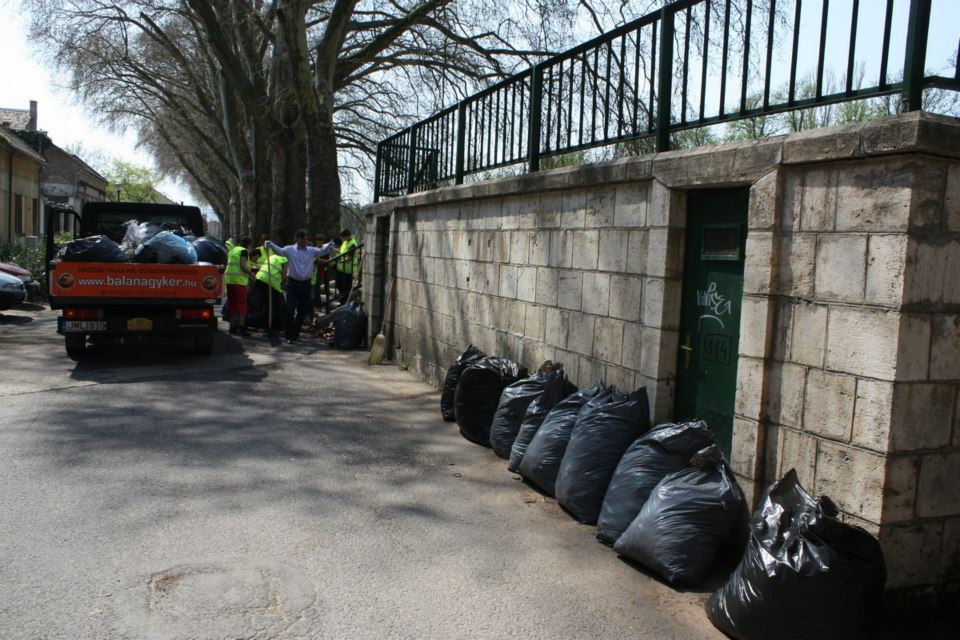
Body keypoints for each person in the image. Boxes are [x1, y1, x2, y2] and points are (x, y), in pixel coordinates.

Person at [264, 229, 337, 343]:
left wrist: (330, 245)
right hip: (293, 283)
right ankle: (288, 336)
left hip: (306, 284)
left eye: (306, 239)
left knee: (302, 310)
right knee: (290, 309)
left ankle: (296, 334)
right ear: (297, 239)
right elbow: (279, 251)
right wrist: (271, 244)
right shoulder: (289, 250)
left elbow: (322, 251)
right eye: (303, 239)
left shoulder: (311, 251)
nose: (305, 242)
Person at [224, 236, 256, 336]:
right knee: (242, 304)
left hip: (229, 280)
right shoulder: (243, 251)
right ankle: (241, 328)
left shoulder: (233, 250)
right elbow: (242, 265)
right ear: (249, 245)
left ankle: (232, 327)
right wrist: (251, 274)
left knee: (232, 304)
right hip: (239, 281)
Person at [254, 250, 287, 336]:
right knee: (276, 305)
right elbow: (284, 276)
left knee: (265, 304)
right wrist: (284, 285)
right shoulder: (284, 258)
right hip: (271, 283)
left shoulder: (272, 257)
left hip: (259, 279)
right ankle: (275, 327)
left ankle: (263, 326)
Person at [334, 228, 359, 305]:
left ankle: (345, 303)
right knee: (339, 286)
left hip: (347, 270)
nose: (341, 239)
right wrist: (332, 249)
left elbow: (350, 257)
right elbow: (341, 252)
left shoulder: (352, 243)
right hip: (341, 269)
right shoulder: (345, 242)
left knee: (346, 288)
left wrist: (341, 261)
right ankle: (342, 302)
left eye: (342, 237)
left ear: (346, 236)